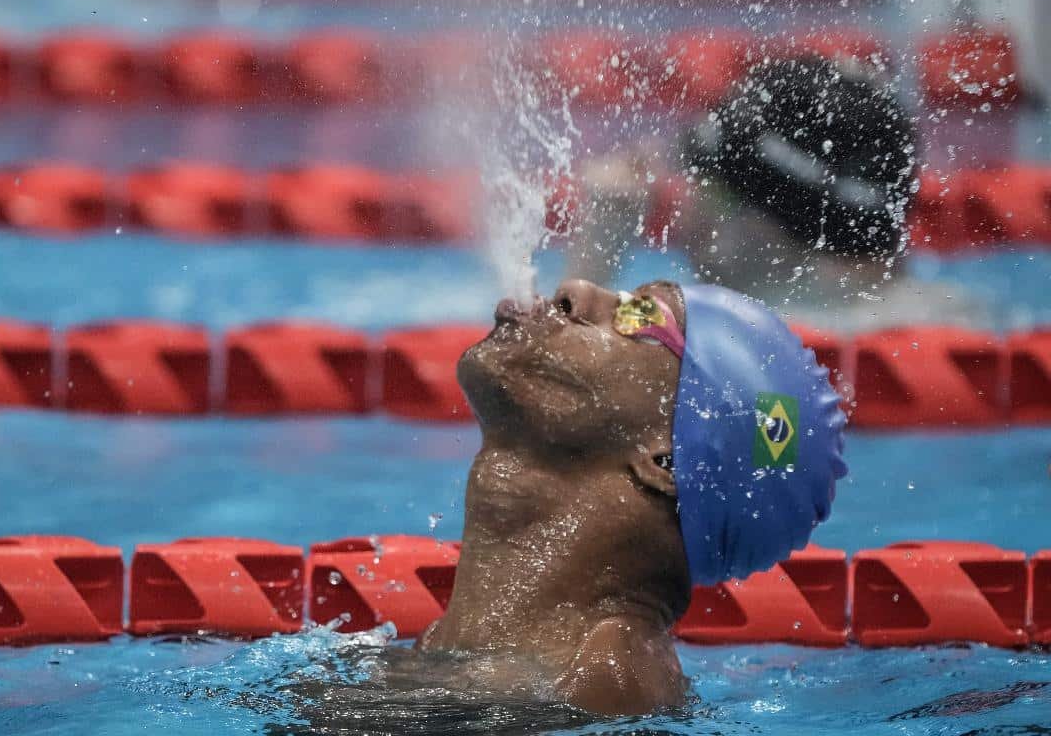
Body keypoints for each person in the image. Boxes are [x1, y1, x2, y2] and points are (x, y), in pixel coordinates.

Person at [416, 277, 847, 716]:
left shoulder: (609, 680)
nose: (574, 290)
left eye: (639, 316)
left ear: (667, 463)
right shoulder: (449, 644)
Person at [574, 54, 974, 332]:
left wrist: (592, 261)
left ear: (775, 219)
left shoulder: (710, 332)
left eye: (709, 186)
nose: (685, 213)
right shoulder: (952, 317)